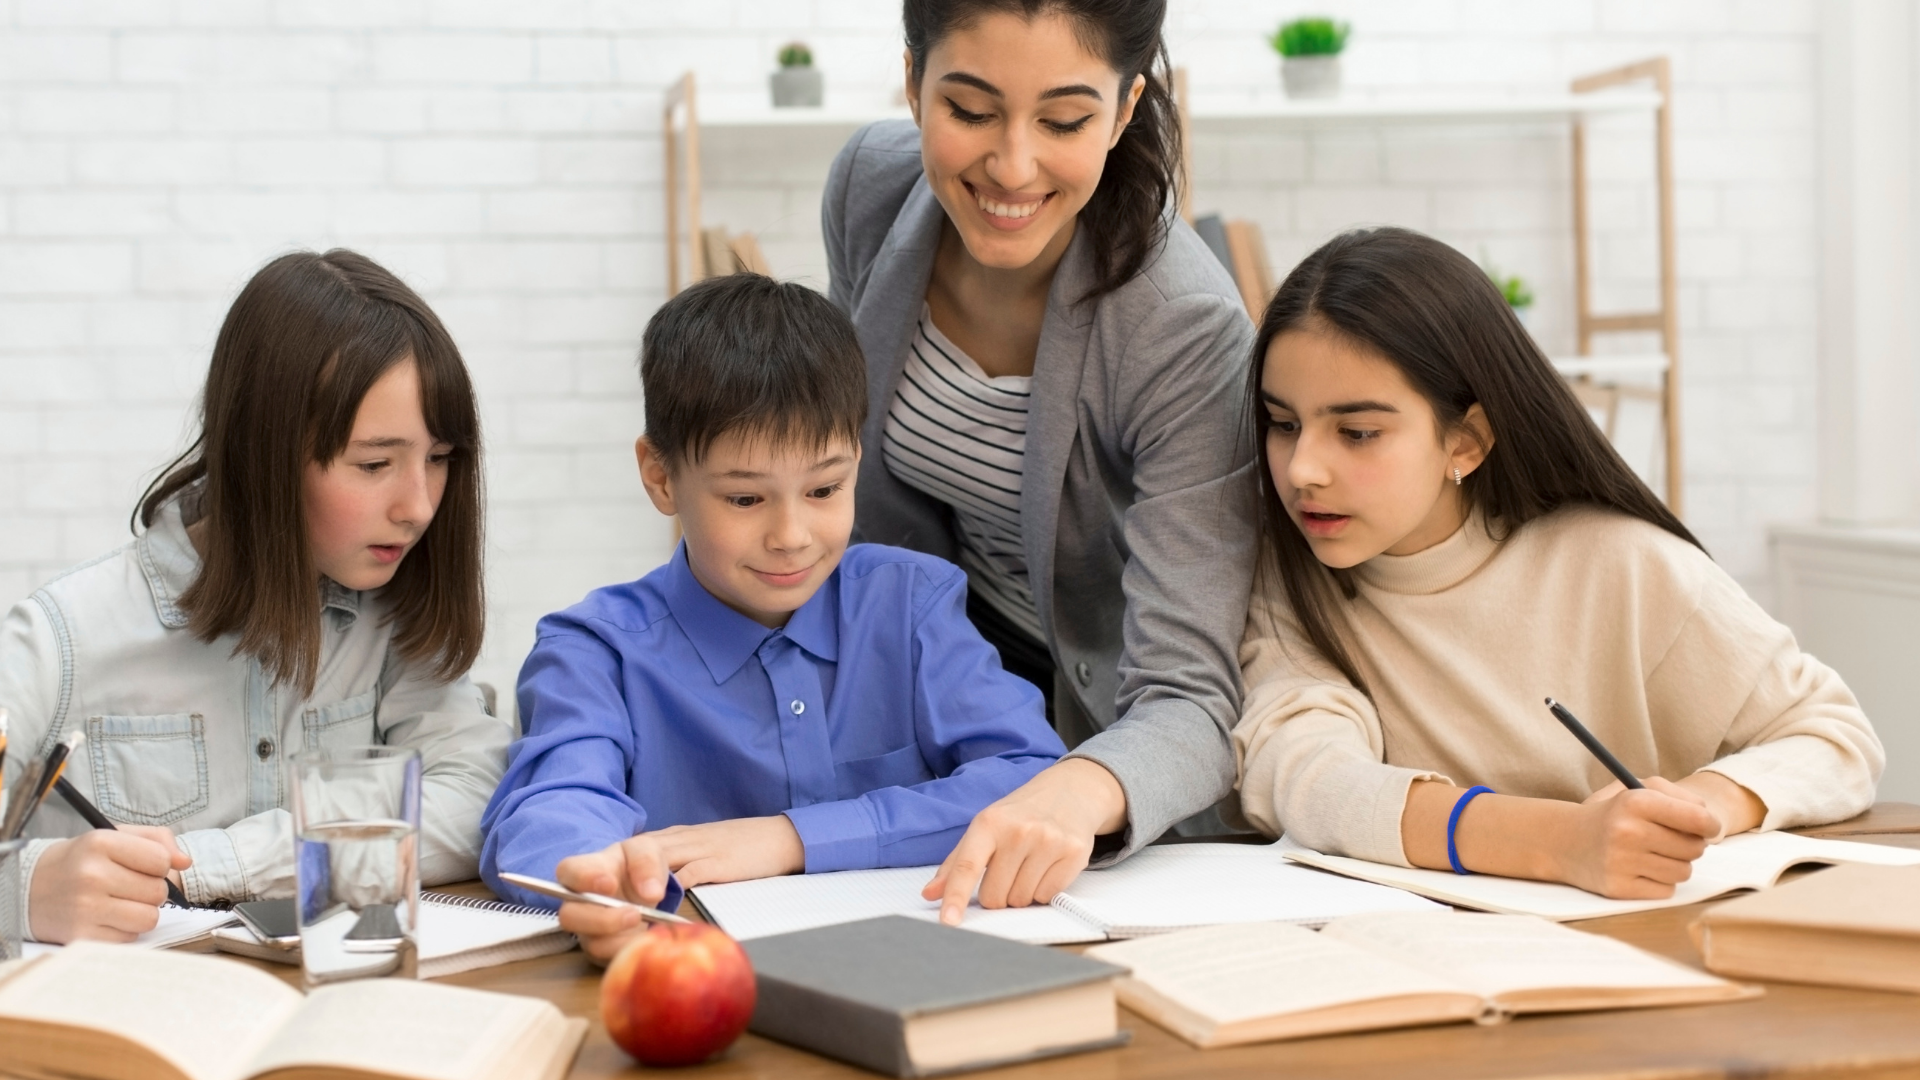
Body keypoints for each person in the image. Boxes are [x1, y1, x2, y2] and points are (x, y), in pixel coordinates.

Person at [1234, 227, 1885, 898]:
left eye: (1358, 433)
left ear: (1467, 441)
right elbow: (1308, 781)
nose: (1303, 468)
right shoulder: (1288, 582)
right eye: (1283, 423)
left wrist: (1690, 812)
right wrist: (1560, 844)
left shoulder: (1623, 564)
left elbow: (1832, 737)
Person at [478, 274, 1067, 962]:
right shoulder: (595, 650)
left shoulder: (910, 604)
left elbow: (1031, 780)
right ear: (661, 477)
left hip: (916, 966)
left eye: (824, 489)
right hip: (699, 988)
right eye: (745, 499)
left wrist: (790, 837)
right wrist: (601, 876)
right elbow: (553, 807)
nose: (792, 535)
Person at [825, 0, 1258, 925]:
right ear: (912, 80)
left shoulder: (1182, 325)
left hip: (1106, 759)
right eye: (971, 111)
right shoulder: (868, 189)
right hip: (945, 709)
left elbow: (1192, 694)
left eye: (1064, 121)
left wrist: (1078, 786)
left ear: (1125, 105)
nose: (1012, 166)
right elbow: (842, 484)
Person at [0, 250, 510, 943]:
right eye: (374, 465)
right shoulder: (60, 637)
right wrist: (28, 888)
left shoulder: (391, 621)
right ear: (261, 453)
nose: (419, 505)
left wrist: (218, 863)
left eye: (440, 459)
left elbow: (477, 800)